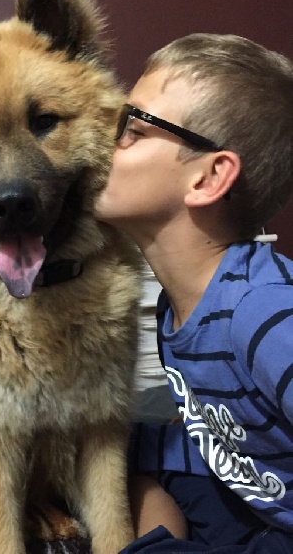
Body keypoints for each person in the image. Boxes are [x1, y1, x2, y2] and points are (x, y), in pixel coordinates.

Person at [95, 33, 293, 552]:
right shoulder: (179, 307)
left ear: (208, 177)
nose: (99, 141)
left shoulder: (265, 313)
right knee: (107, 447)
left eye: (132, 127)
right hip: (248, 496)